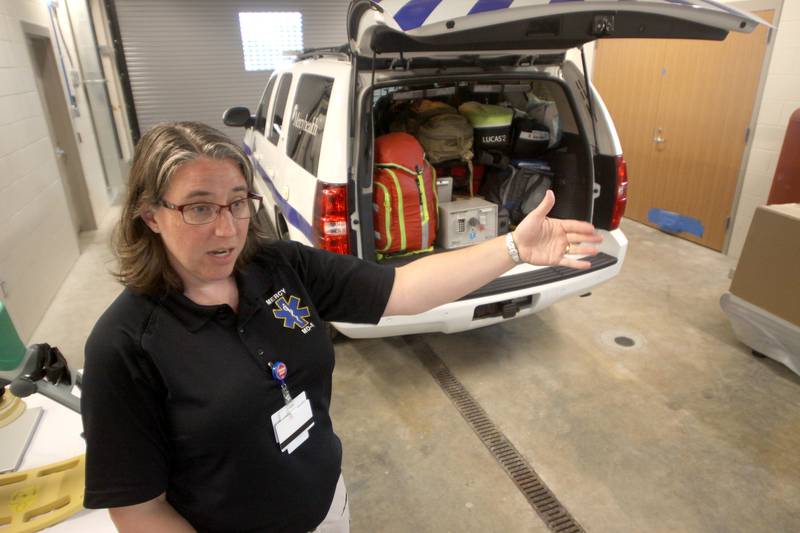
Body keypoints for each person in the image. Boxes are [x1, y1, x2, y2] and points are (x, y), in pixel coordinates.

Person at [81, 121, 601, 533]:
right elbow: (137, 509)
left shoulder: (281, 266)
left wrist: (513, 249)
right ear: (150, 215)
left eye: (238, 203)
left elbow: (403, 289)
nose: (226, 228)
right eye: (199, 208)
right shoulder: (124, 345)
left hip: (327, 505)